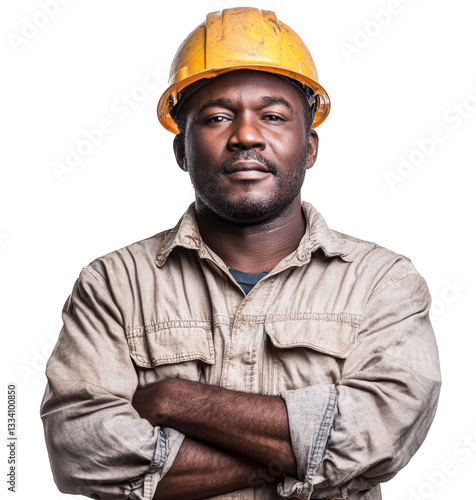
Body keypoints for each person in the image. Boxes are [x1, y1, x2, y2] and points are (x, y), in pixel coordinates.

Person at [41, 7, 441, 500]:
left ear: (309, 147)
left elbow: (380, 435)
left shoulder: (383, 282)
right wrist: (305, 456)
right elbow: (80, 453)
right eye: (217, 118)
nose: (246, 136)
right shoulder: (114, 284)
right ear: (182, 152)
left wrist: (174, 399)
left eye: (272, 116)